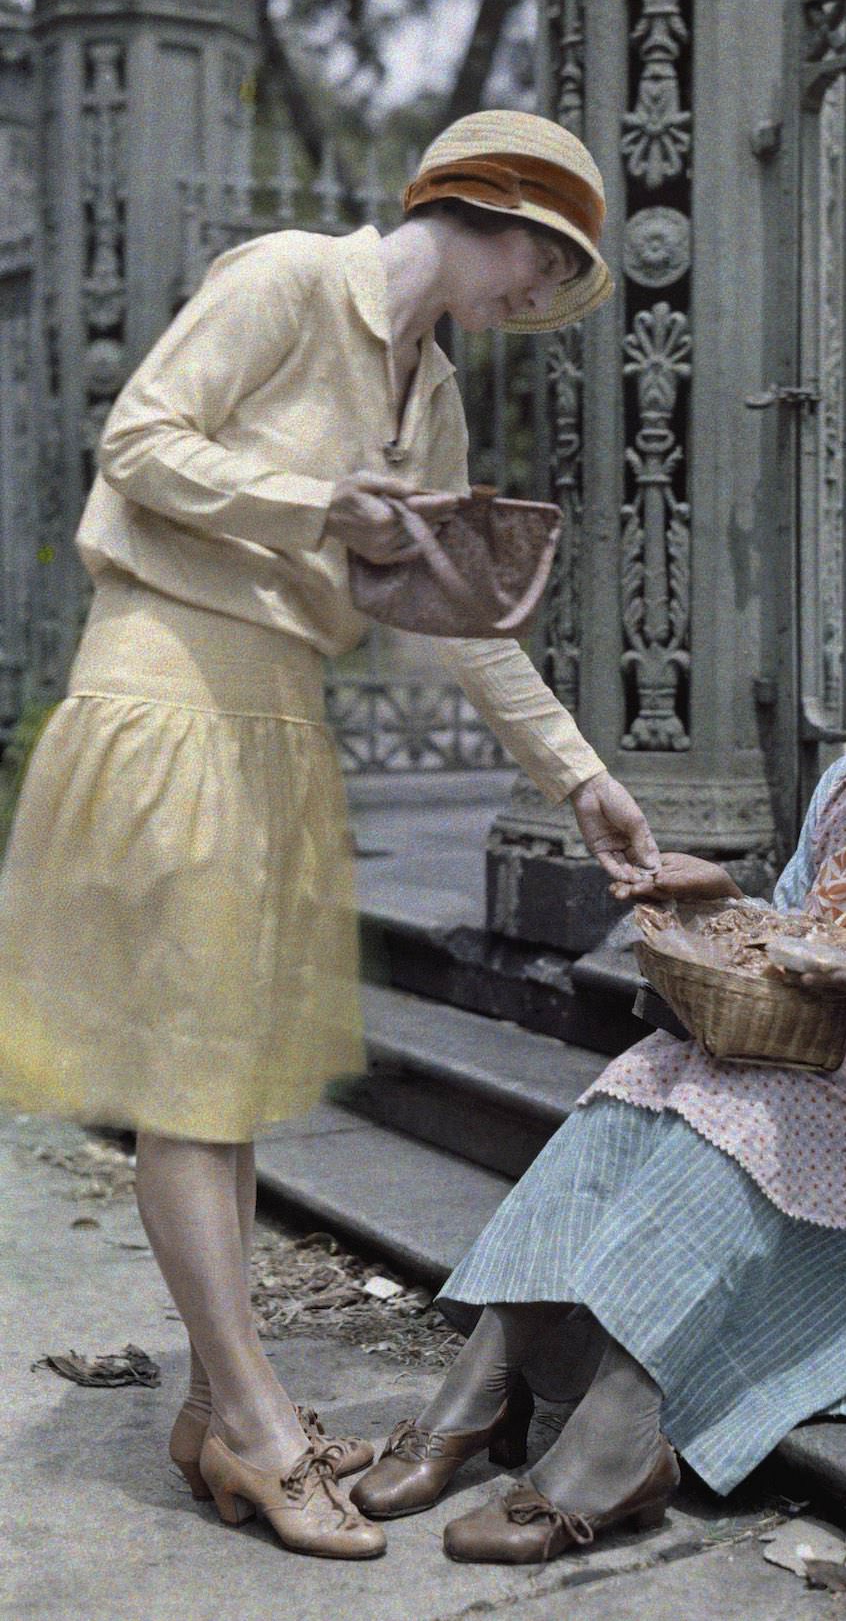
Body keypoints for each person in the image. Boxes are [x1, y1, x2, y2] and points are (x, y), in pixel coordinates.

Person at [0, 110, 659, 1559]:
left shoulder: (428, 399)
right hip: (171, 682)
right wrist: (315, 501)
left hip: (277, 719)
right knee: (191, 1080)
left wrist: (580, 777)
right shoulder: (289, 279)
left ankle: (228, 1413)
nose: (532, 307)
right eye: (541, 275)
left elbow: (462, 620)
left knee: (228, 1085)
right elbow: (140, 439)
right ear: (507, 224)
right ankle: (247, 1420)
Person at [349, 537, 846, 1565]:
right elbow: (804, 932)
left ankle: (621, 1433)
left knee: (750, 1114)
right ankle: (487, 1380)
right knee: (641, 1083)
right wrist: (726, 898)